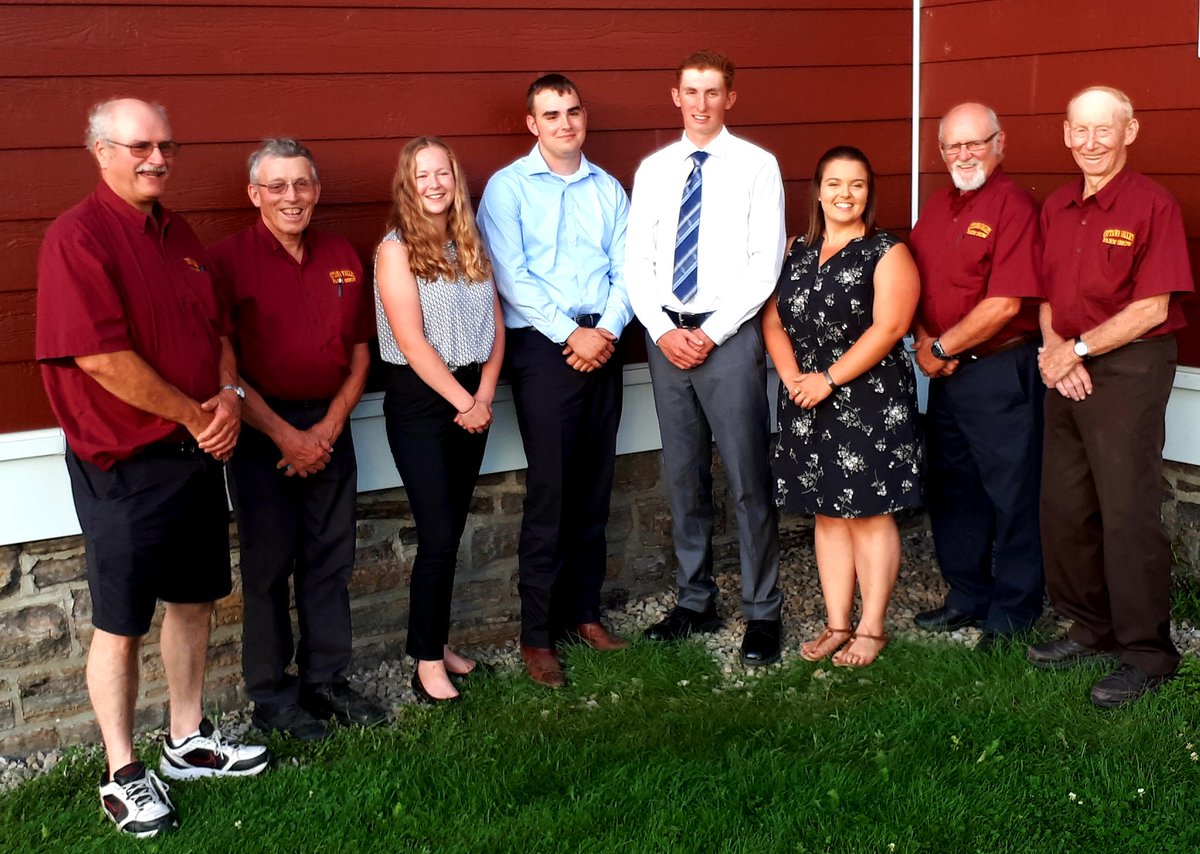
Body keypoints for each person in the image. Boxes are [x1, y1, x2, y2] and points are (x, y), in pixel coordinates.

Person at [35, 98, 268, 838]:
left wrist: (228, 395)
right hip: (125, 462)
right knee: (122, 620)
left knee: (194, 599)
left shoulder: (183, 235)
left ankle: (188, 739)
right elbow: (99, 357)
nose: (158, 158)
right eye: (140, 146)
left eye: (167, 145)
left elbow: (219, 331)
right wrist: (199, 417)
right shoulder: (78, 238)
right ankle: (122, 771)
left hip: (195, 454)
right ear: (100, 150)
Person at [208, 138, 386, 741]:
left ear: (316, 190)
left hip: (331, 428)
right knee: (267, 567)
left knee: (330, 561)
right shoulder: (225, 262)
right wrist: (286, 435)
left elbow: (362, 350)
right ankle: (272, 696)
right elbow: (224, 366)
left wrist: (329, 427)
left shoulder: (341, 253)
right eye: (277, 186)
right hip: (261, 433)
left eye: (302, 184)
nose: (292, 197)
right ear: (254, 193)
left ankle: (327, 681)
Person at [1029, 87, 1193, 707]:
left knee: (1126, 511)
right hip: (1068, 363)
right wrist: (1055, 352)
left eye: (1106, 130)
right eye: (1081, 130)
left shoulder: (1153, 205)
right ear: (1067, 135)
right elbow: (1045, 297)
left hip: (1130, 367)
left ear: (1131, 131)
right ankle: (1090, 627)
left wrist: (1076, 350)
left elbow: (1152, 307)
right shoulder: (1060, 206)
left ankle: (1148, 652)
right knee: (1065, 508)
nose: (1092, 142)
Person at [626, 50, 786, 665]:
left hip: (729, 337)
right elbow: (638, 260)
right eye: (691, 92)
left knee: (748, 479)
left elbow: (763, 263)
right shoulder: (654, 170)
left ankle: (762, 611)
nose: (700, 103)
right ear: (676, 96)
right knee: (682, 474)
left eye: (712, 92)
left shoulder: (756, 167)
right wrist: (664, 330)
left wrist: (711, 333)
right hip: (666, 340)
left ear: (730, 98)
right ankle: (695, 601)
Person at [477, 74, 632, 688]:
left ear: (583, 116)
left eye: (572, 111)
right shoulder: (508, 189)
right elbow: (511, 276)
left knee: (596, 484)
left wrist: (607, 331)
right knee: (551, 492)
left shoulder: (609, 190)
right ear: (531, 123)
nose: (565, 123)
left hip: (607, 342)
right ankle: (537, 634)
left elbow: (628, 269)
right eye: (551, 114)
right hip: (544, 349)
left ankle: (584, 614)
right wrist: (573, 335)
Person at [763, 146, 921, 668]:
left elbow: (891, 327)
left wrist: (828, 378)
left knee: (870, 514)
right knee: (828, 514)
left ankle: (871, 627)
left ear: (869, 193)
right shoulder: (796, 250)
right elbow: (773, 320)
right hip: (806, 397)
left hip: (868, 400)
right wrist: (792, 379)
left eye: (856, 184)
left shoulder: (887, 251)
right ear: (818, 190)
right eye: (834, 183)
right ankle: (837, 623)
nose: (845, 194)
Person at [908, 103, 1045, 651]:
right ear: (941, 153)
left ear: (999, 143)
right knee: (954, 490)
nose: (964, 154)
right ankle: (968, 596)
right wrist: (924, 341)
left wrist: (939, 346)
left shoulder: (1014, 206)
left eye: (975, 143)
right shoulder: (937, 208)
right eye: (952, 146)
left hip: (999, 370)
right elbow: (911, 281)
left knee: (1013, 494)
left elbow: (1006, 302)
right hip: (945, 373)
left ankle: (1013, 612)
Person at [375, 137, 504, 703]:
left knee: (449, 533)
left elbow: (497, 325)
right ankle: (426, 663)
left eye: (443, 173)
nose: (434, 184)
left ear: (456, 181)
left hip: (474, 394)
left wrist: (486, 394)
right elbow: (411, 340)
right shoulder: (395, 249)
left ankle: (437, 643)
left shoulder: (470, 244)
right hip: (423, 403)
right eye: (422, 175)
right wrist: (464, 403)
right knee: (436, 533)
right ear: (408, 183)